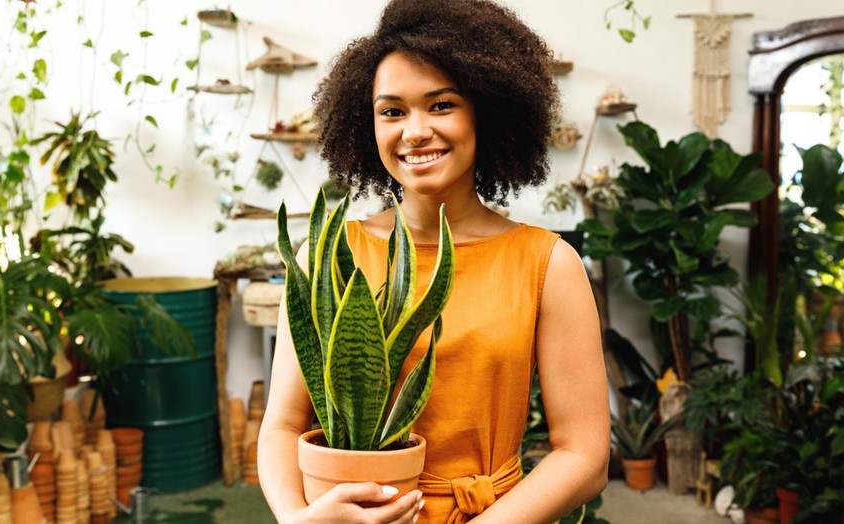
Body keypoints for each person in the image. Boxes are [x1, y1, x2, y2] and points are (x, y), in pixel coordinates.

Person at [258, 0, 611, 522]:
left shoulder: (547, 264)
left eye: (441, 104)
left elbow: (584, 456)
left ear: (485, 112)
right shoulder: (330, 256)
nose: (415, 131)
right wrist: (297, 519)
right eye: (392, 111)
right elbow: (283, 424)